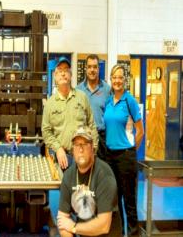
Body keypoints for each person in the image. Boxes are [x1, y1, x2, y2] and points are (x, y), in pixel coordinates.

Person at [57, 126, 121, 237]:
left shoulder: (104, 175)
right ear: (73, 149)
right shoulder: (68, 176)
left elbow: (104, 226)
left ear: (92, 148)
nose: (80, 149)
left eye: (85, 144)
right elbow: (62, 219)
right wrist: (68, 230)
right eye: (77, 145)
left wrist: (73, 227)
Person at [103, 64, 144, 236]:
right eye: (115, 77)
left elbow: (140, 131)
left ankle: (133, 233)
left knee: (129, 202)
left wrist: (131, 150)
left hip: (125, 156)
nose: (117, 80)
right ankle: (118, 233)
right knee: (115, 201)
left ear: (124, 80)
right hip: (110, 157)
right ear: (111, 80)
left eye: (120, 77)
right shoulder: (108, 101)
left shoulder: (130, 101)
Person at [42, 56, 98, 170]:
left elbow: (91, 124)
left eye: (66, 70)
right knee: (65, 187)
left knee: (84, 188)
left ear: (71, 75)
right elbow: (46, 131)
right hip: (63, 158)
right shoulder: (50, 103)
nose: (63, 74)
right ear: (55, 76)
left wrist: (93, 150)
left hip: (83, 156)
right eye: (60, 71)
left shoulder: (82, 97)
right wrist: (58, 148)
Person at [76, 54, 110, 159]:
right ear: (86, 69)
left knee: (100, 170)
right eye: (89, 67)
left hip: (102, 138)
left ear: (99, 69)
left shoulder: (107, 89)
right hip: (83, 137)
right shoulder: (78, 90)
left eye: (95, 67)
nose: (92, 70)